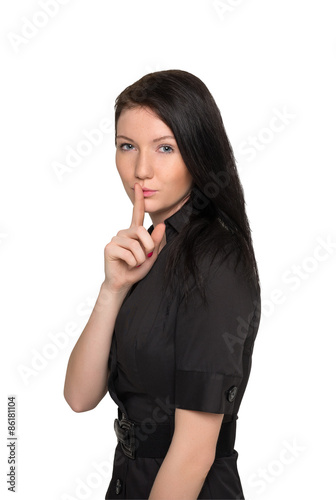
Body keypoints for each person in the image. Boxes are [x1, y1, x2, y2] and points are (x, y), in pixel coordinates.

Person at [63, 69, 262, 500]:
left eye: (165, 148)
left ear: (199, 152)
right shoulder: (148, 252)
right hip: (128, 482)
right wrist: (112, 288)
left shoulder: (214, 258)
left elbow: (193, 451)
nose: (141, 170)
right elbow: (79, 396)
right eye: (126, 146)